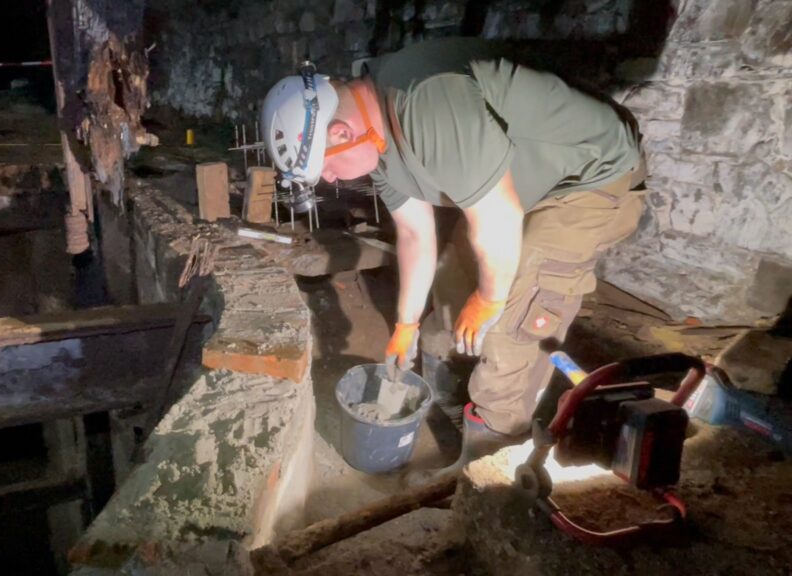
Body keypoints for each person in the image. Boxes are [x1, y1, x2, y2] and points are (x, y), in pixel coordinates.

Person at [260, 38, 646, 476]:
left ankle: (489, 470)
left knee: (513, 323)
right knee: (448, 294)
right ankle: (450, 409)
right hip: (513, 189)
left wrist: (490, 299)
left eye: (325, 169)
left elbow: (498, 218)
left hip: (588, 177)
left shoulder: (427, 103)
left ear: (340, 133)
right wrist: (404, 324)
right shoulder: (378, 143)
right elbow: (414, 234)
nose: (330, 179)